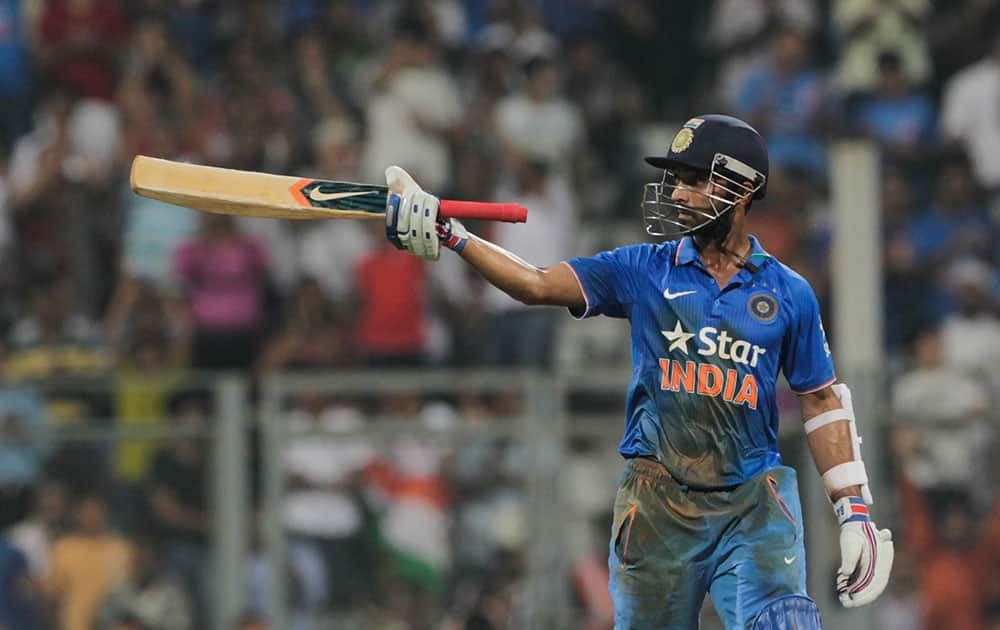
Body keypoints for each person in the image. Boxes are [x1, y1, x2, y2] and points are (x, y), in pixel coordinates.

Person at [383, 114, 893, 628]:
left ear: (744, 188)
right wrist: (453, 235)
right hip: (657, 504)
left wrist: (854, 513)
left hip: (752, 499)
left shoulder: (789, 293)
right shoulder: (644, 268)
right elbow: (534, 284)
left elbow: (821, 400)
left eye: (695, 180)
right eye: (676, 180)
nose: (677, 193)